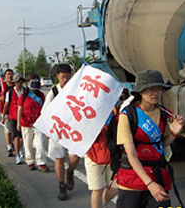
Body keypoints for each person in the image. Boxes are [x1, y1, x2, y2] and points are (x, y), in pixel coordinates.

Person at [116, 69, 183, 208]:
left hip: (157, 176)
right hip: (133, 180)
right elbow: (131, 155)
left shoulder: (164, 113)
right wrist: (149, 184)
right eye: (150, 89)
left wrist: (173, 134)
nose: (155, 93)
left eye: (159, 89)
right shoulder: (128, 115)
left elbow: (159, 145)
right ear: (140, 91)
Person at [41, 63, 80, 201]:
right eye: (63, 77)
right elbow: (44, 112)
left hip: (73, 129)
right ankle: (61, 185)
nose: (66, 80)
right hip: (58, 130)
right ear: (57, 76)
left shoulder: (76, 90)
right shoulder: (53, 92)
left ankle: (70, 172)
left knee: (75, 156)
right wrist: (47, 129)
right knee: (60, 158)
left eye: (68, 77)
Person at [85, 107, 119, 208]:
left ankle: (101, 204)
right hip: (94, 155)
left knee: (116, 187)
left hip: (113, 156)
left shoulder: (118, 108)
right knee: (97, 189)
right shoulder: (89, 110)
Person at [17, 74, 49, 172]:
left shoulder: (41, 95)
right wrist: (18, 122)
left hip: (38, 123)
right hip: (26, 123)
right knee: (28, 143)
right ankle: (30, 161)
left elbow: (45, 108)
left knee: (40, 143)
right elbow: (20, 108)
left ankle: (41, 162)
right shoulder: (24, 95)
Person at [3, 73, 25, 165]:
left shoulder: (26, 91)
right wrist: (4, 116)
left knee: (22, 137)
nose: (19, 83)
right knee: (16, 136)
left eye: (20, 81)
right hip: (13, 116)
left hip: (24, 117)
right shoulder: (10, 92)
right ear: (15, 83)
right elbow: (6, 104)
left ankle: (19, 149)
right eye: (17, 81)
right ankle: (17, 155)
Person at [0, 69, 15, 157]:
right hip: (5, 111)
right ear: (5, 76)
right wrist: (2, 98)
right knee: (8, 129)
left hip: (14, 110)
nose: (9, 76)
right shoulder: (2, 86)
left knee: (14, 130)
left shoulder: (15, 85)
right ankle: (9, 147)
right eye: (8, 74)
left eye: (11, 74)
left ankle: (12, 142)